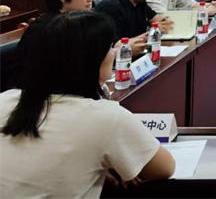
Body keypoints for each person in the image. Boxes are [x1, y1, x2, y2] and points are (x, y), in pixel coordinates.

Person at [0, 11, 175, 197]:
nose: (113, 53)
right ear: (90, 61)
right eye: (110, 47)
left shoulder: (5, 99)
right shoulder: (106, 117)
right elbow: (164, 168)